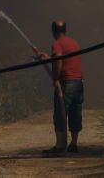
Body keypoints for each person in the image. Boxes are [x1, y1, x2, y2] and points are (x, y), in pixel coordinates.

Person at [35, 20, 84, 155]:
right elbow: (63, 58)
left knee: (60, 114)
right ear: (65, 30)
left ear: (53, 31)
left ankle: (59, 146)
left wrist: (55, 79)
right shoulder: (74, 42)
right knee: (76, 113)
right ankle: (73, 144)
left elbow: (59, 62)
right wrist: (47, 57)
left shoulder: (57, 44)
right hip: (78, 83)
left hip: (66, 84)